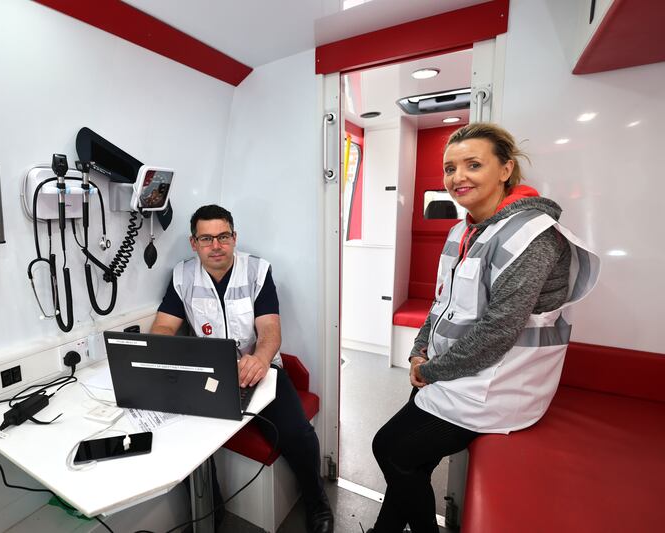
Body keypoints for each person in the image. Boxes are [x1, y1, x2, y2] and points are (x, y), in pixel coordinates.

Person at [368, 123, 599, 533]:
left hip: (496, 387)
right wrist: (418, 353)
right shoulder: (465, 229)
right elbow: (442, 304)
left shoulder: (533, 235)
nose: (458, 177)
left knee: (389, 448)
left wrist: (430, 370)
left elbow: (498, 331)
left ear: (506, 169)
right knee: (411, 460)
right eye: (450, 168)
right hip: (450, 374)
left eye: (473, 164)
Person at [151, 204, 334, 533]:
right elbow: (162, 328)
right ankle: (212, 508)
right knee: (183, 436)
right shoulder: (182, 276)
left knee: (297, 433)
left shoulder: (257, 271)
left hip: (262, 371)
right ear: (194, 244)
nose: (216, 245)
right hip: (209, 375)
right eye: (206, 239)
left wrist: (261, 359)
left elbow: (270, 331)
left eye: (223, 236)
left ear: (234, 237)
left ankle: (316, 500)